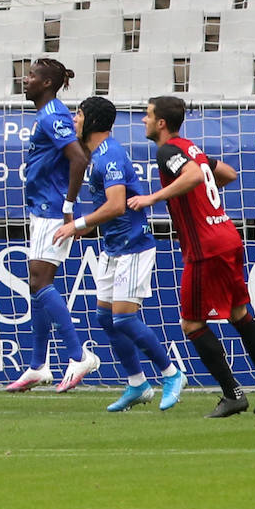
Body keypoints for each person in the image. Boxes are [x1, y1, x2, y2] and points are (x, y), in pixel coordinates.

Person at [127, 95, 255, 417]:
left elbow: (196, 177)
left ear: (161, 123)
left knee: (191, 323)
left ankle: (232, 394)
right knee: (239, 314)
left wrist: (152, 198)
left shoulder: (167, 150)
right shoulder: (191, 148)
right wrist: (204, 200)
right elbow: (226, 173)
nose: (143, 120)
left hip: (205, 247)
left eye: (147, 116)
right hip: (227, 235)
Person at [53, 97, 187, 411]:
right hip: (113, 246)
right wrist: (87, 225)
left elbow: (116, 205)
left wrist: (79, 225)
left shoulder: (110, 154)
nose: (74, 120)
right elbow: (110, 205)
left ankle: (171, 374)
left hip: (134, 247)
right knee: (105, 317)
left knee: (124, 319)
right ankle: (137, 384)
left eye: (79, 115)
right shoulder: (97, 155)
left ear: (92, 121)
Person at [5, 58, 99, 394]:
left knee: (41, 281)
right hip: (43, 207)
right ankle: (37, 365)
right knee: (36, 283)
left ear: (46, 83)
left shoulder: (54, 115)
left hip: (53, 210)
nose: (25, 79)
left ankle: (78, 355)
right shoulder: (47, 114)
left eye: (31, 76)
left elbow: (79, 158)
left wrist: (69, 207)